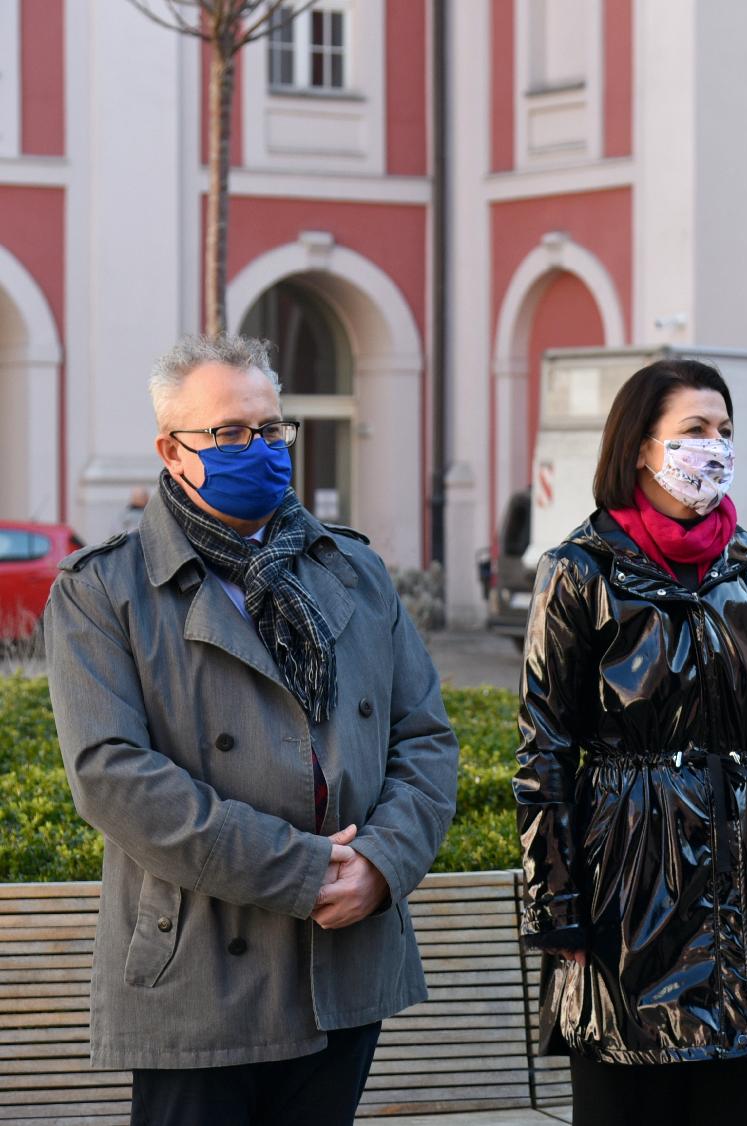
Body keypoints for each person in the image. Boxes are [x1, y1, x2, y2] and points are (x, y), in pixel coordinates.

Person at [44, 334, 460, 1126]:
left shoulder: (354, 571)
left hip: (344, 960)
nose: (261, 448)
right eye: (230, 433)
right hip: (200, 969)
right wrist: (303, 872)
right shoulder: (105, 590)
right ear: (172, 450)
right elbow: (112, 776)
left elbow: (425, 740)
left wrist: (380, 864)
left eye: (272, 429)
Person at [515, 358, 747, 1126]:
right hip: (625, 896)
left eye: (724, 430)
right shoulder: (579, 572)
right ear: (639, 447)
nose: (714, 447)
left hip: (745, 894)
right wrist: (555, 906)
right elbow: (544, 749)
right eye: (694, 430)